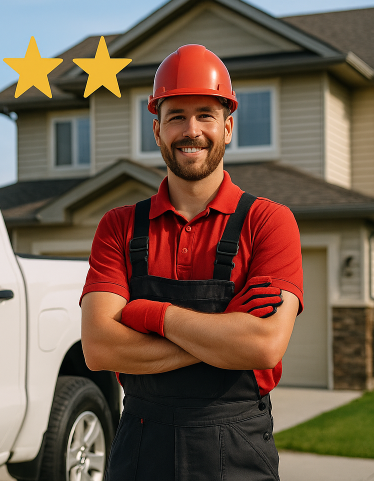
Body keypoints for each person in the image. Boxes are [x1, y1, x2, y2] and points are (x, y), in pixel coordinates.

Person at [80, 44, 304, 481]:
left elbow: (262, 346)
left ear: (228, 127)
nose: (192, 130)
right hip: (140, 448)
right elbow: (99, 347)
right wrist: (222, 334)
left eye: (205, 114)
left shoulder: (269, 222)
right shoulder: (119, 226)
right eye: (176, 116)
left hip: (238, 448)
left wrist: (149, 313)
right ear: (157, 130)